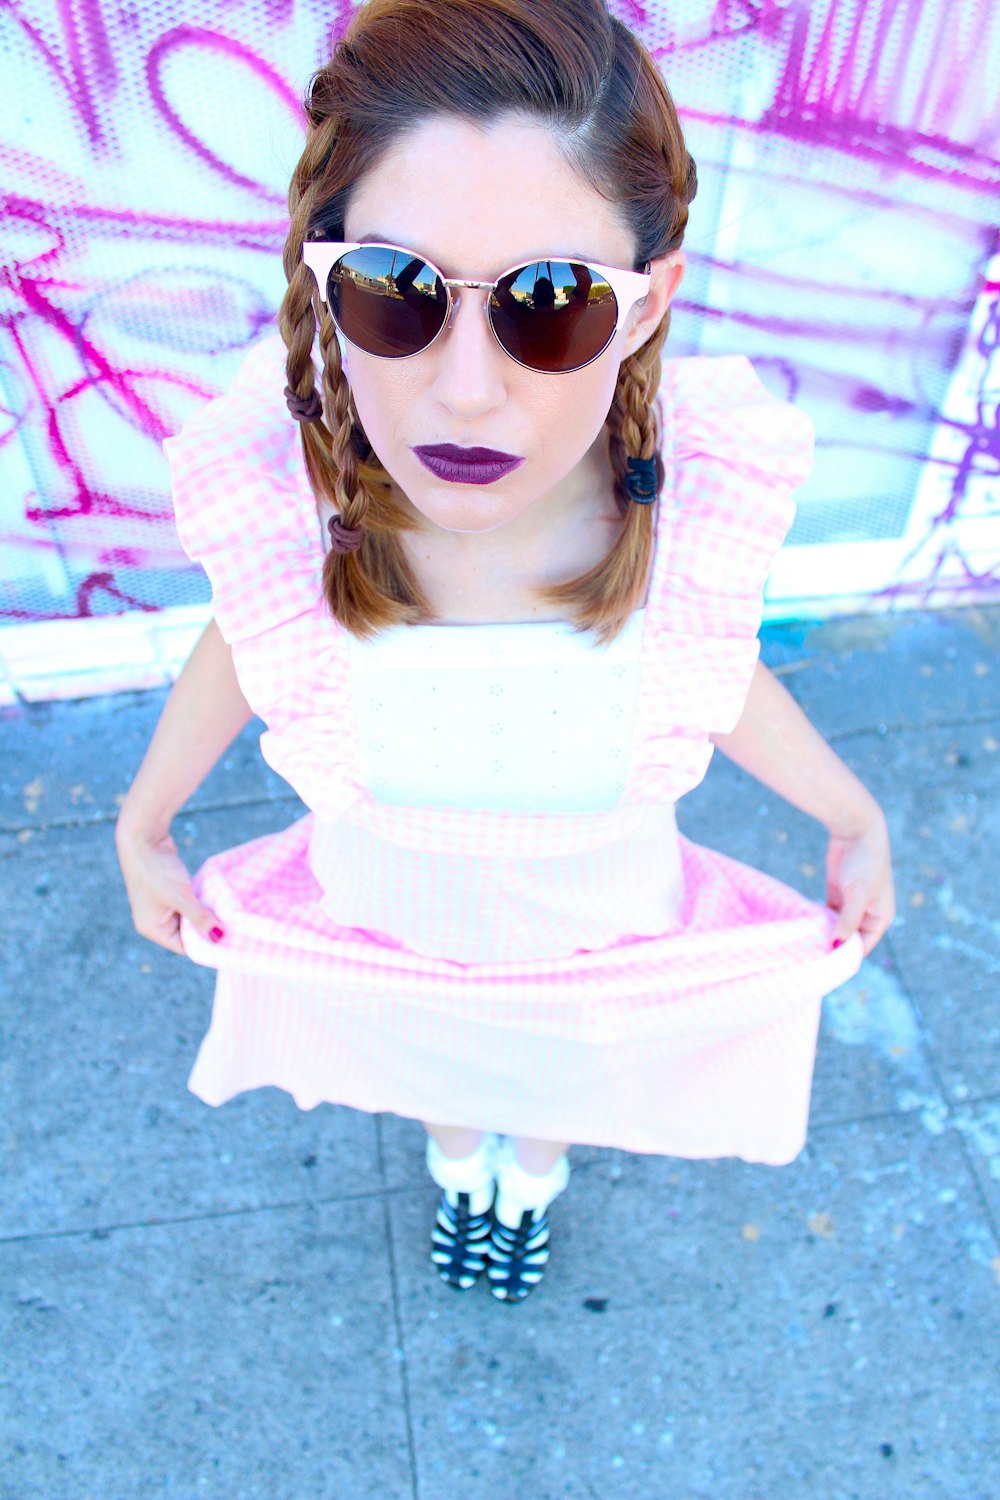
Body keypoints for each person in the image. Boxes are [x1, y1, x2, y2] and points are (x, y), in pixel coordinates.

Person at [115, 0, 895, 1305]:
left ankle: (525, 1185)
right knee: (440, 1078)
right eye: (394, 291)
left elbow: (711, 679)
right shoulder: (290, 511)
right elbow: (247, 644)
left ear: (647, 311)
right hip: (394, 934)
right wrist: (147, 819)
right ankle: (462, 1159)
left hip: (590, 946)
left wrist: (846, 806)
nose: (466, 391)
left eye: (549, 302)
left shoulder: (683, 520)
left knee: (552, 1084)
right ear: (326, 277)